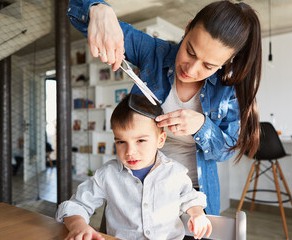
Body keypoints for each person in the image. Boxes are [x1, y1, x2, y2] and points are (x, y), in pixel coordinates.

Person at [67, 0, 262, 215]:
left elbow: (227, 150)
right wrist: (98, 9)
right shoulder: (154, 53)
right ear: (187, 29)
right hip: (136, 187)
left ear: (226, 61)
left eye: (209, 66)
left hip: (193, 196)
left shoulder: (228, 91)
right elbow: (78, 15)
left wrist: (202, 126)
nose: (191, 69)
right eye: (190, 51)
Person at [56, 94, 212, 240]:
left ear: (160, 140)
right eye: (121, 142)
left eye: (141, 141)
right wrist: (79, 226)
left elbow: (191, 198)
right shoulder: (107, 174)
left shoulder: (176, 172)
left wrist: (197, 213)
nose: (130, 152)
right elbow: (76, 205)